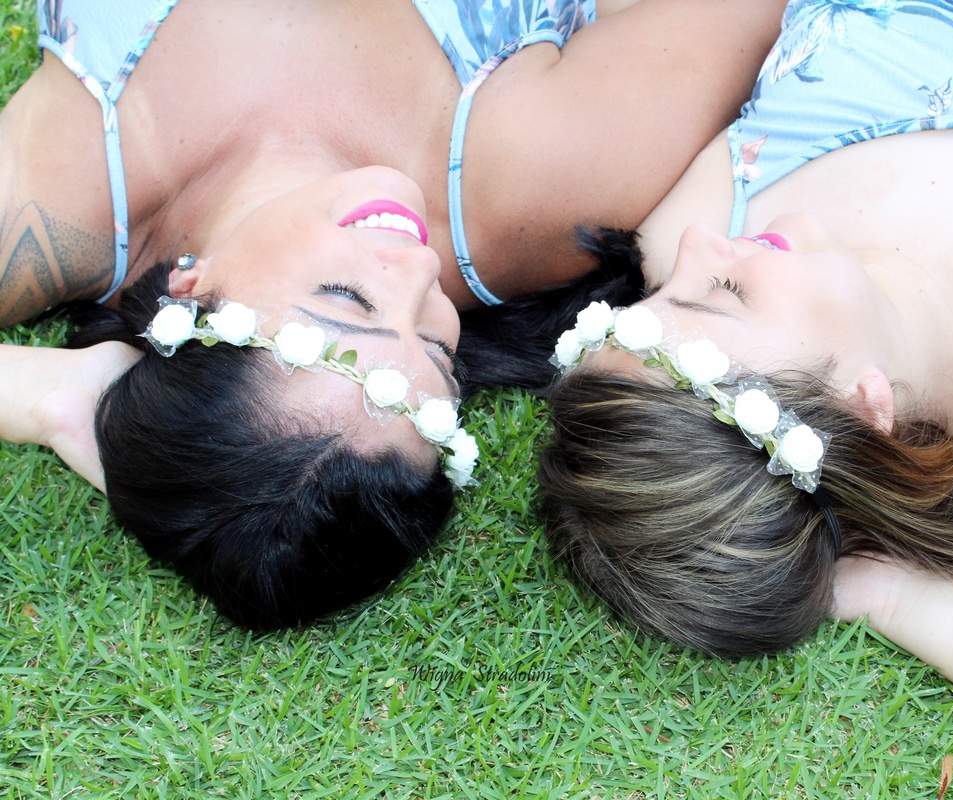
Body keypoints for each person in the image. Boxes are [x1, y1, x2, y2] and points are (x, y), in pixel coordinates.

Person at [538, 2, 953, 797]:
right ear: (862, 408)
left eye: (652, 297)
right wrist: (902, 598)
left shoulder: (713, 214)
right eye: (723, 294)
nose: (693, 246)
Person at [0, 0, 791, 627]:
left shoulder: (44, 215)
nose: (417, 272)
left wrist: (65, 396)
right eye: (439, 351)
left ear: (189, 289)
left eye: (345, 300)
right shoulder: (538, 179)